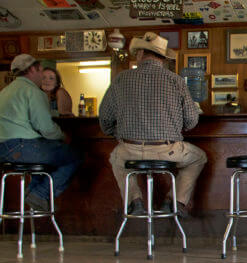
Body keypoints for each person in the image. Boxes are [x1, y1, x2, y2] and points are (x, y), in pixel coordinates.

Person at [99, 32, 206, 217]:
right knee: (198, 158)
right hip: (167, 151)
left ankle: (134, 201)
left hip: (129, 149)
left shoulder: (121, 79)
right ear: (163, 58)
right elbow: (191, 120)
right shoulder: (176, 80)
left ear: (140, 53)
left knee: (116, 158)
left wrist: (117, 133)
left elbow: (105, 120)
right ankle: (175, 202)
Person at [0, 54, 82, 210]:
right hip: (22, 147)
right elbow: (47, 129)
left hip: (3, 151)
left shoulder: (5, 91)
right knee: (74, 156)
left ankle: (31, 194)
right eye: (41, 71)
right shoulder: (32, 92)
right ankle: (40, 194)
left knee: (45, 158)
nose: (42, 77)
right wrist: (63, 137)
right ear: (32, 69)